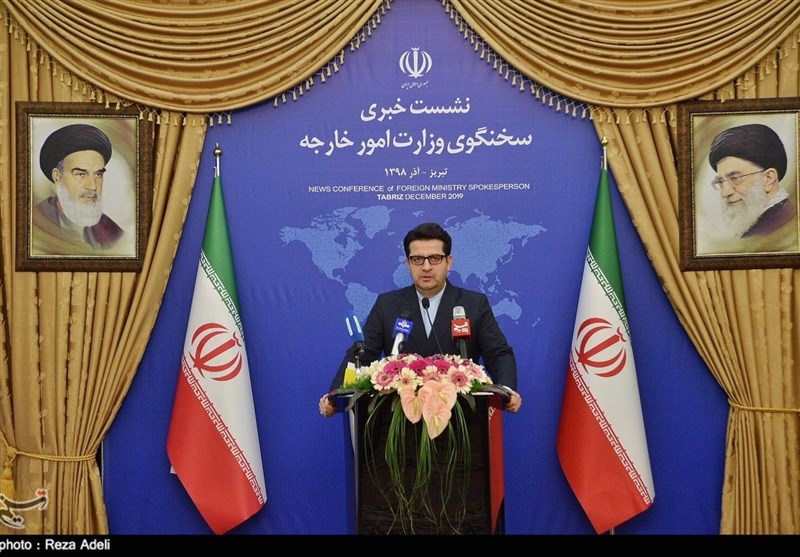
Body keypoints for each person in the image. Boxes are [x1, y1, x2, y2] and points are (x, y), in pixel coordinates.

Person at [319, 222, 522, 417]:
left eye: (435, 258)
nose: (426, 267)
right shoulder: (387, 304)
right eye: (417, 259)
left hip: (461, 418)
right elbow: (362, 355)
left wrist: (506, 389)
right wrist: (336, 395)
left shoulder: (473, 304)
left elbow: (498, 353)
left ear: (448, 262)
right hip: (398, 419)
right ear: (408, 264)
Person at [33, 123, 123, 252]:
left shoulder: (112, 232)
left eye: (98, 174)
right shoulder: (35, 224)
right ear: (57, 176)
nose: (92, 186)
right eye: (81, 174)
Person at [707, 123, 797, 247]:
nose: (725, 193)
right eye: (721, 182)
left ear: (768, 179)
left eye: (735, 178)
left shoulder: (776, 230)